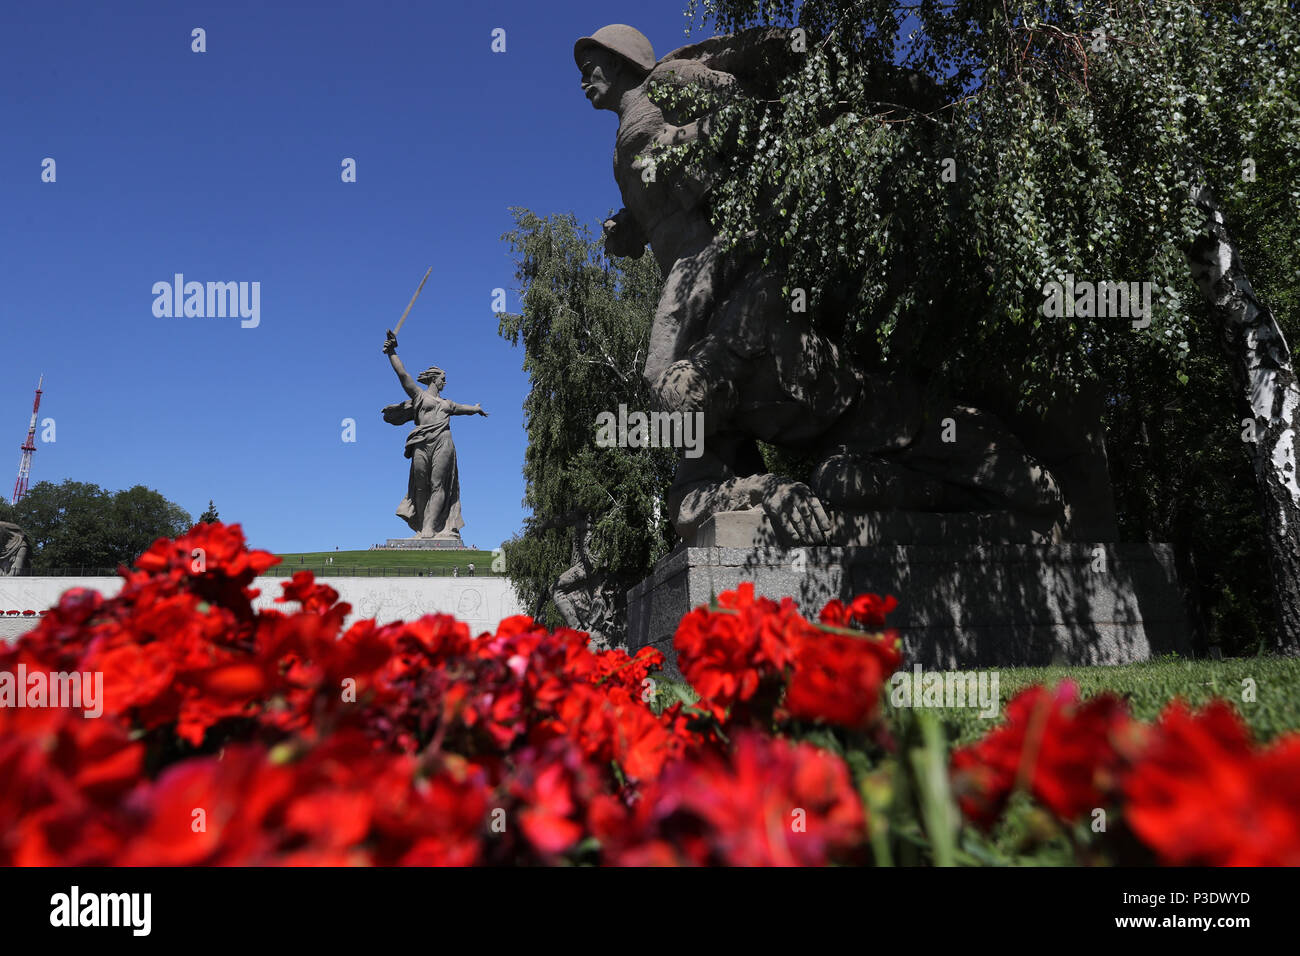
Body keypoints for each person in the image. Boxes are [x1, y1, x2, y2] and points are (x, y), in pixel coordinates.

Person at [382, 330, 489, 537]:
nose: (444, 382)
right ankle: (422, 525)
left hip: (443, 441)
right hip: (421, 441)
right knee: (421, 486)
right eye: (443, 378)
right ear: (433, 379)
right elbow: (403, 375)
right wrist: (392, 352)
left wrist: (476, 409)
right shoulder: (420, 397)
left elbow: (463, 408)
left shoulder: (447, 403)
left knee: (437, 484)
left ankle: (430, 527)